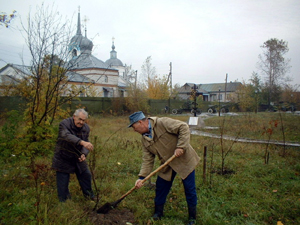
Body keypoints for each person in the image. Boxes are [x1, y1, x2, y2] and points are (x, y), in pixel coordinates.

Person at [128, 111, 200, 225]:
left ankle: (192, 217)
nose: (134, 130)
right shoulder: (145, 139)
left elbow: (183, 127)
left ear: (141, 122)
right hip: (167, 164)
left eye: (134, 127)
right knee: (161, 187)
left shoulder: (162, 123)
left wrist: (181, 146)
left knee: (189, 189)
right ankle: (158, 213)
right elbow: (147, 160)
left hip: (184, 160)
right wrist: (141, 178)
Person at [52, 108, 95, 202]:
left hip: (77, 157)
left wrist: (84, 153)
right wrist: (81, 142)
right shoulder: (64, 124)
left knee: (86, 175)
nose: (81, 122)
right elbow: (66, 136)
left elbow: (86, 142)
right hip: (63, 156)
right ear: (74, 117)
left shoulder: (86, 128)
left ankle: (89, 197)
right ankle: (65, 202)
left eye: (83, 120)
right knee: (63, 182)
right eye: (79, 119)